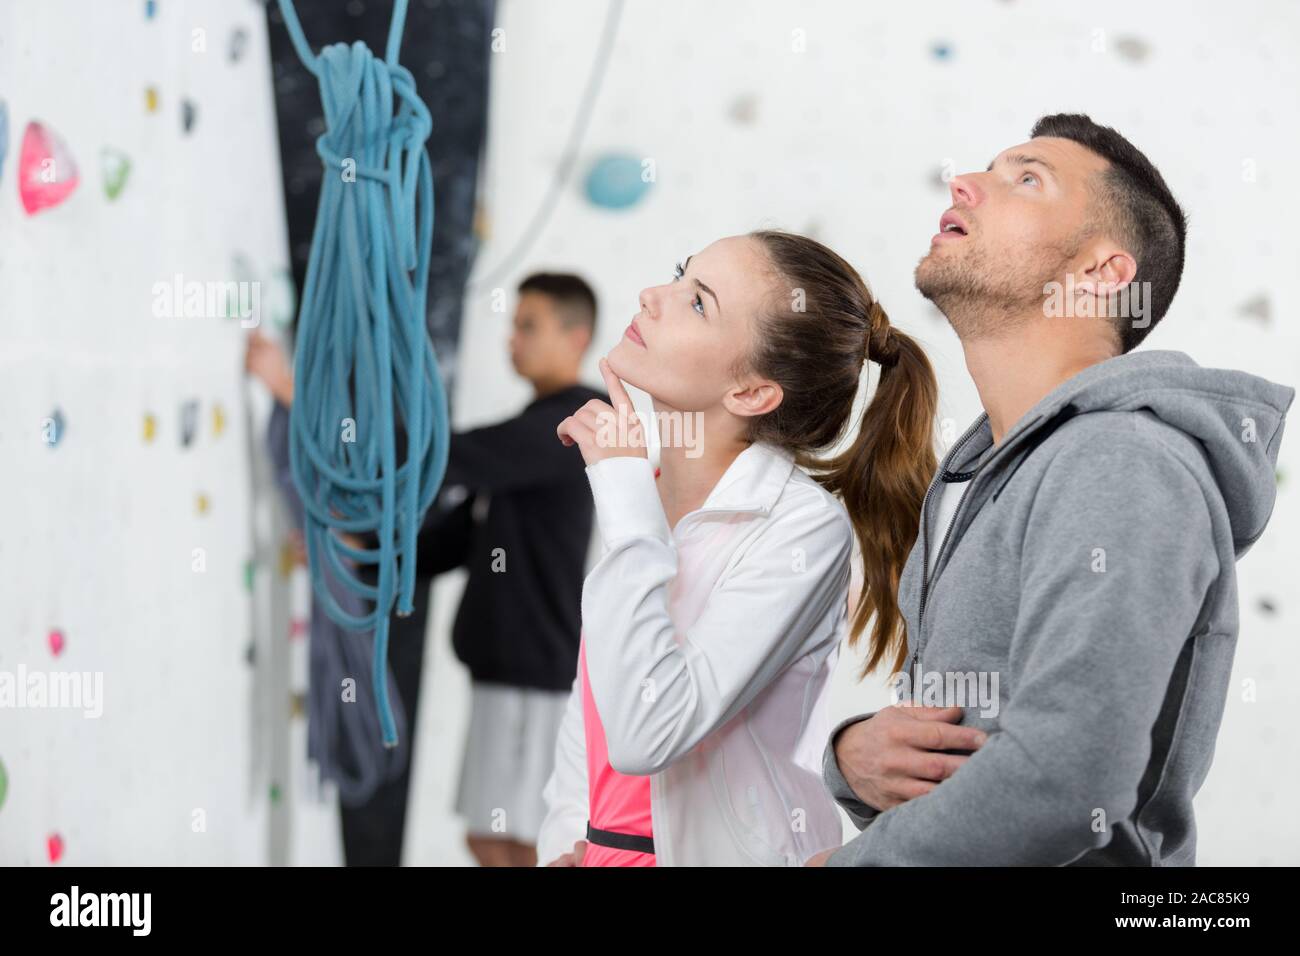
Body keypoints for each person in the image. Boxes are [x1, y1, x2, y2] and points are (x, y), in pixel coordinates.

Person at [811, 113, 1295, 866]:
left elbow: (1065, 779)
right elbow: (971, 750)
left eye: (1025, 178)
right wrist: (853, 757)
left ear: (1102, 274)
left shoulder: (1122, 459)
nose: (962, 182)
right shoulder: (977, 480)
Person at [537, 230, 941, 866]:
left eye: (698, 302)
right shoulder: (643, 492)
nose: (651, 296)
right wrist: (564, 844)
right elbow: (592, 703)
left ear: (751, 393)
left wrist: (621, 492)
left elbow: (648, 732)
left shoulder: (801, 528)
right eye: (679, 272)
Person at [248, 272, 607, 868]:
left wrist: (294, 394)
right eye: (513, 324)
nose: (511, 338)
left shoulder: (570, 424)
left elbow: (442, 459)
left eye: (528, 325)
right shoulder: (533, 433)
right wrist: (354, 542)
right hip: (508, 671)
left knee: (516, 845)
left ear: (577, 337)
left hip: (532, 676)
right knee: (497, 841)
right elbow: (451, 541)